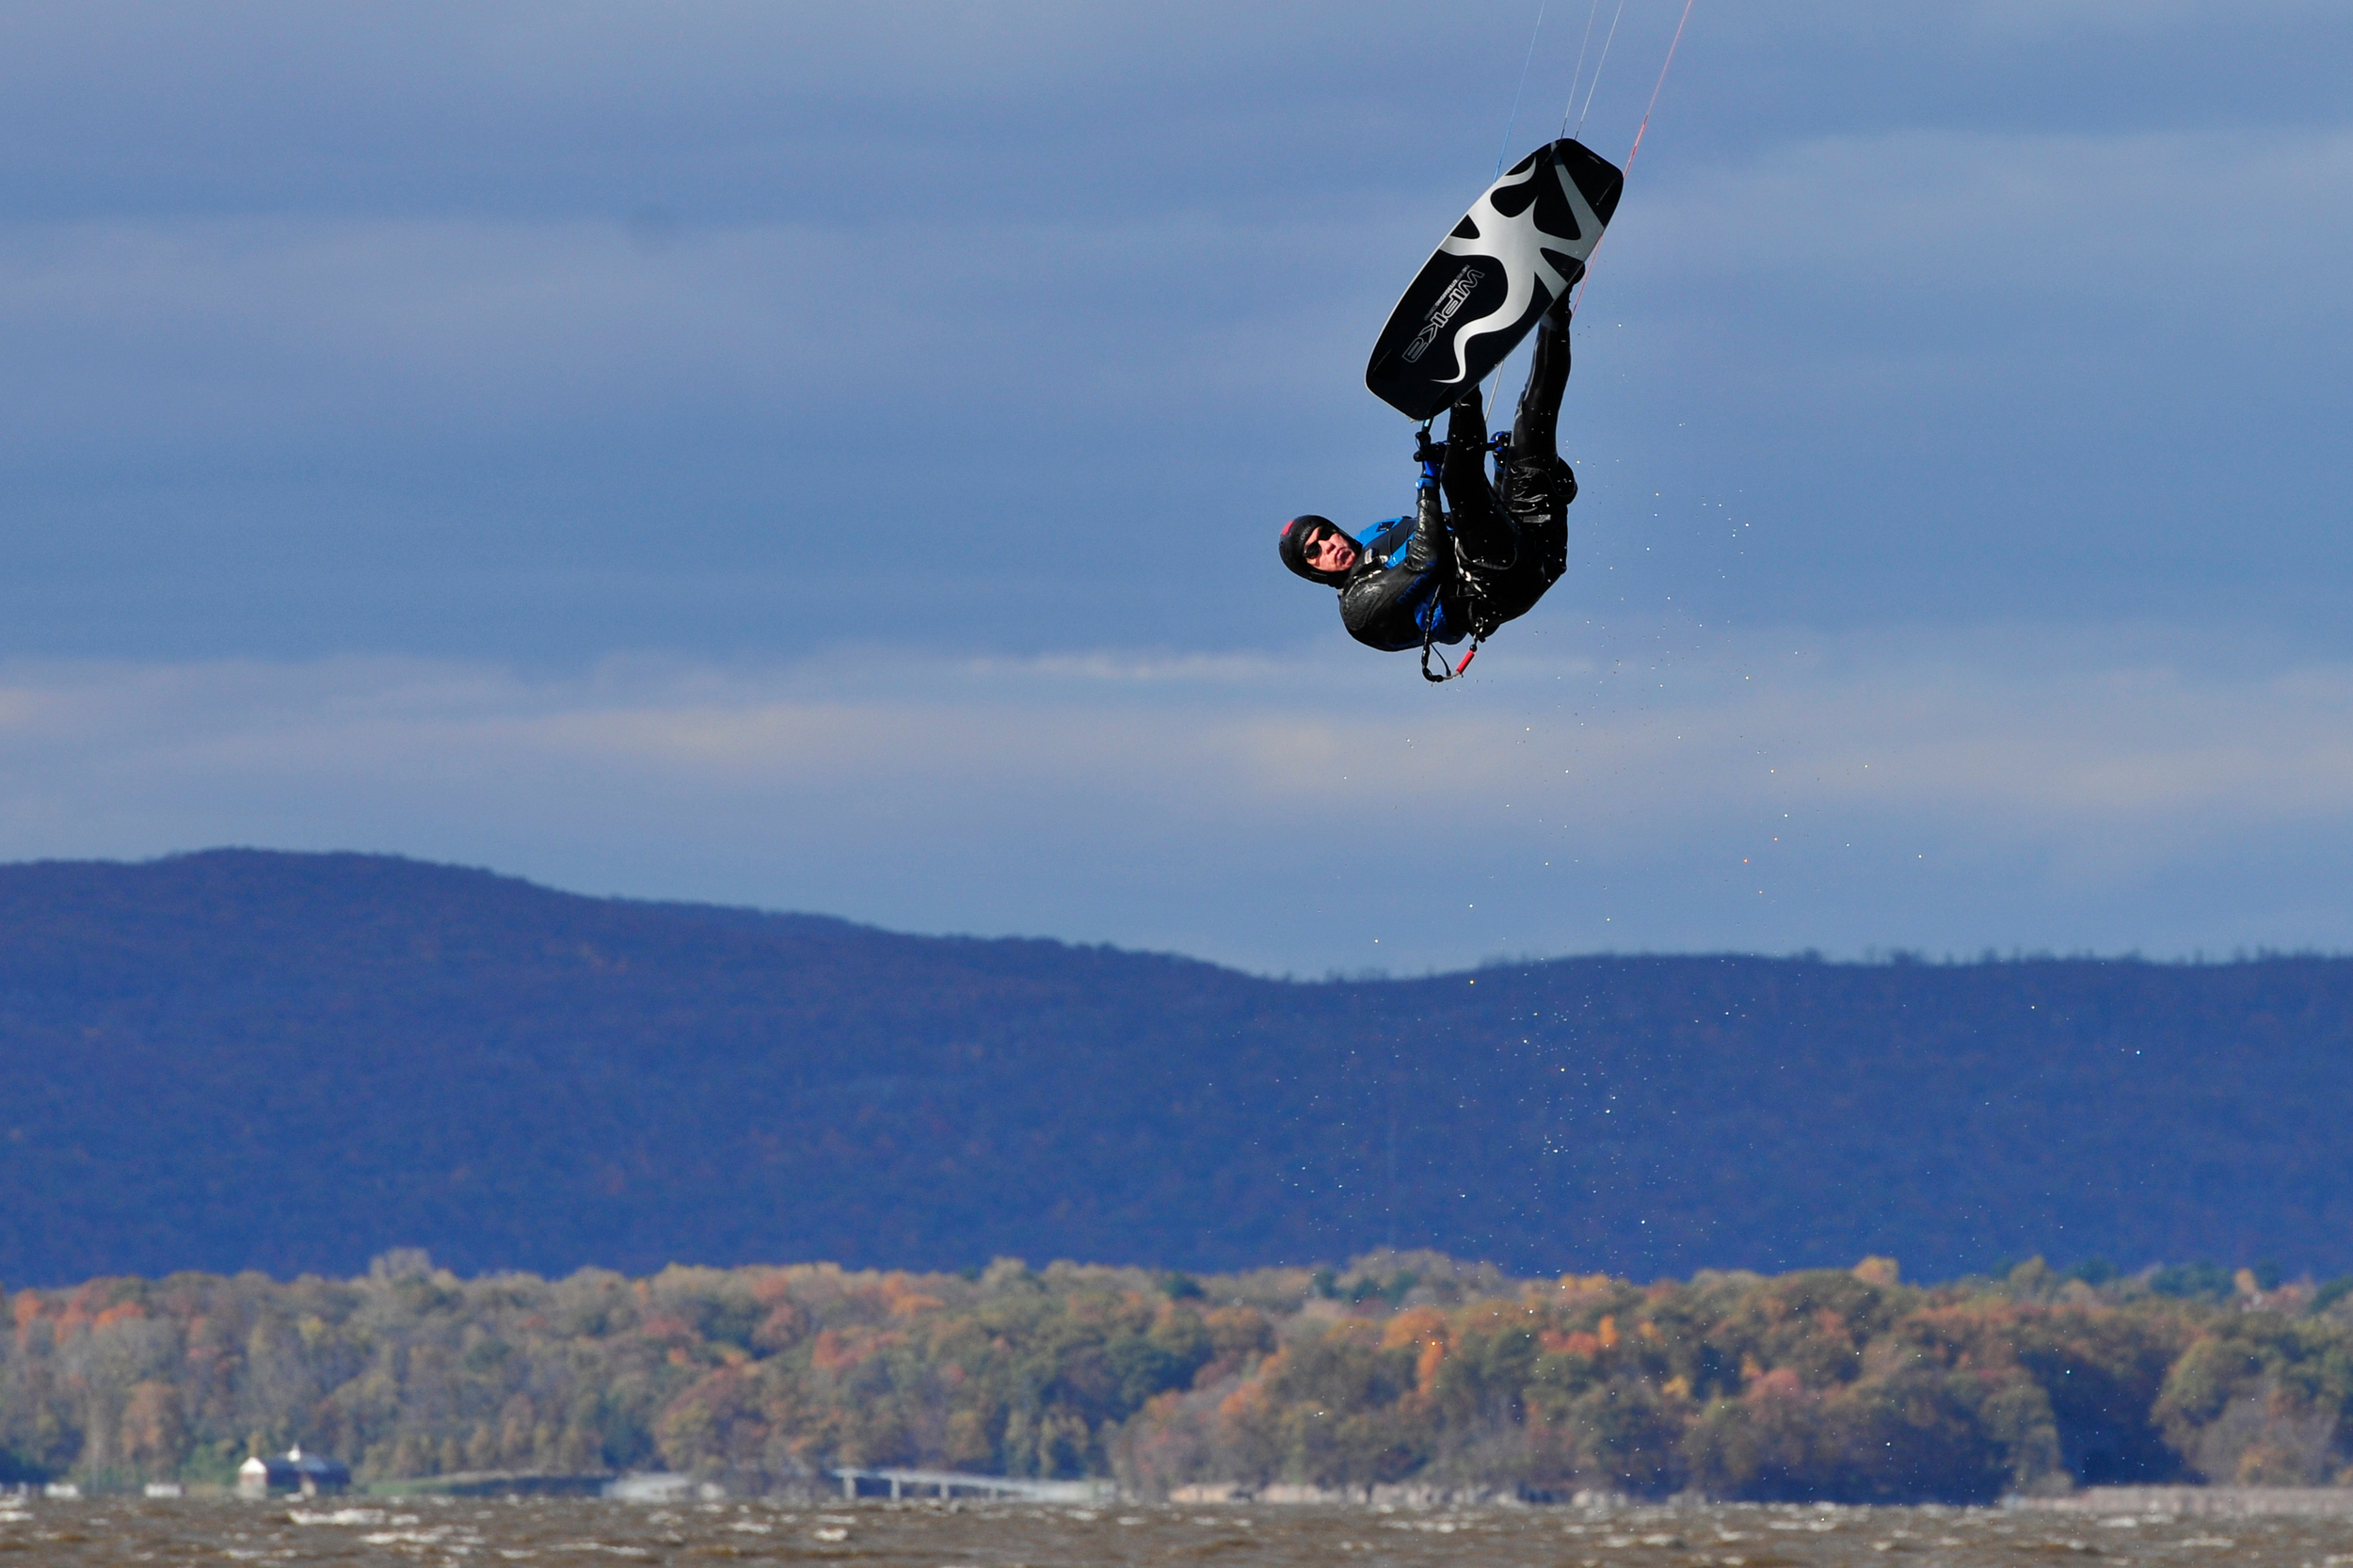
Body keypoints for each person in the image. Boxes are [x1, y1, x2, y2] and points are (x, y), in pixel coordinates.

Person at [1279, 300, 1577, 678]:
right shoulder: (1358, 608)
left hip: (1536, 545)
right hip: (1499, 583)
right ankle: (1462, 375)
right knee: (1457, 479)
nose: (1330, 545)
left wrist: (1501, 467)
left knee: (1530, 427)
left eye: (1326, 533)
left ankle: (1555, 309)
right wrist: (1429, 481)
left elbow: (1461, 520)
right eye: (1314, 551)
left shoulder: (1377, 533)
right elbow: (1426, 559)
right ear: (1313, 572)